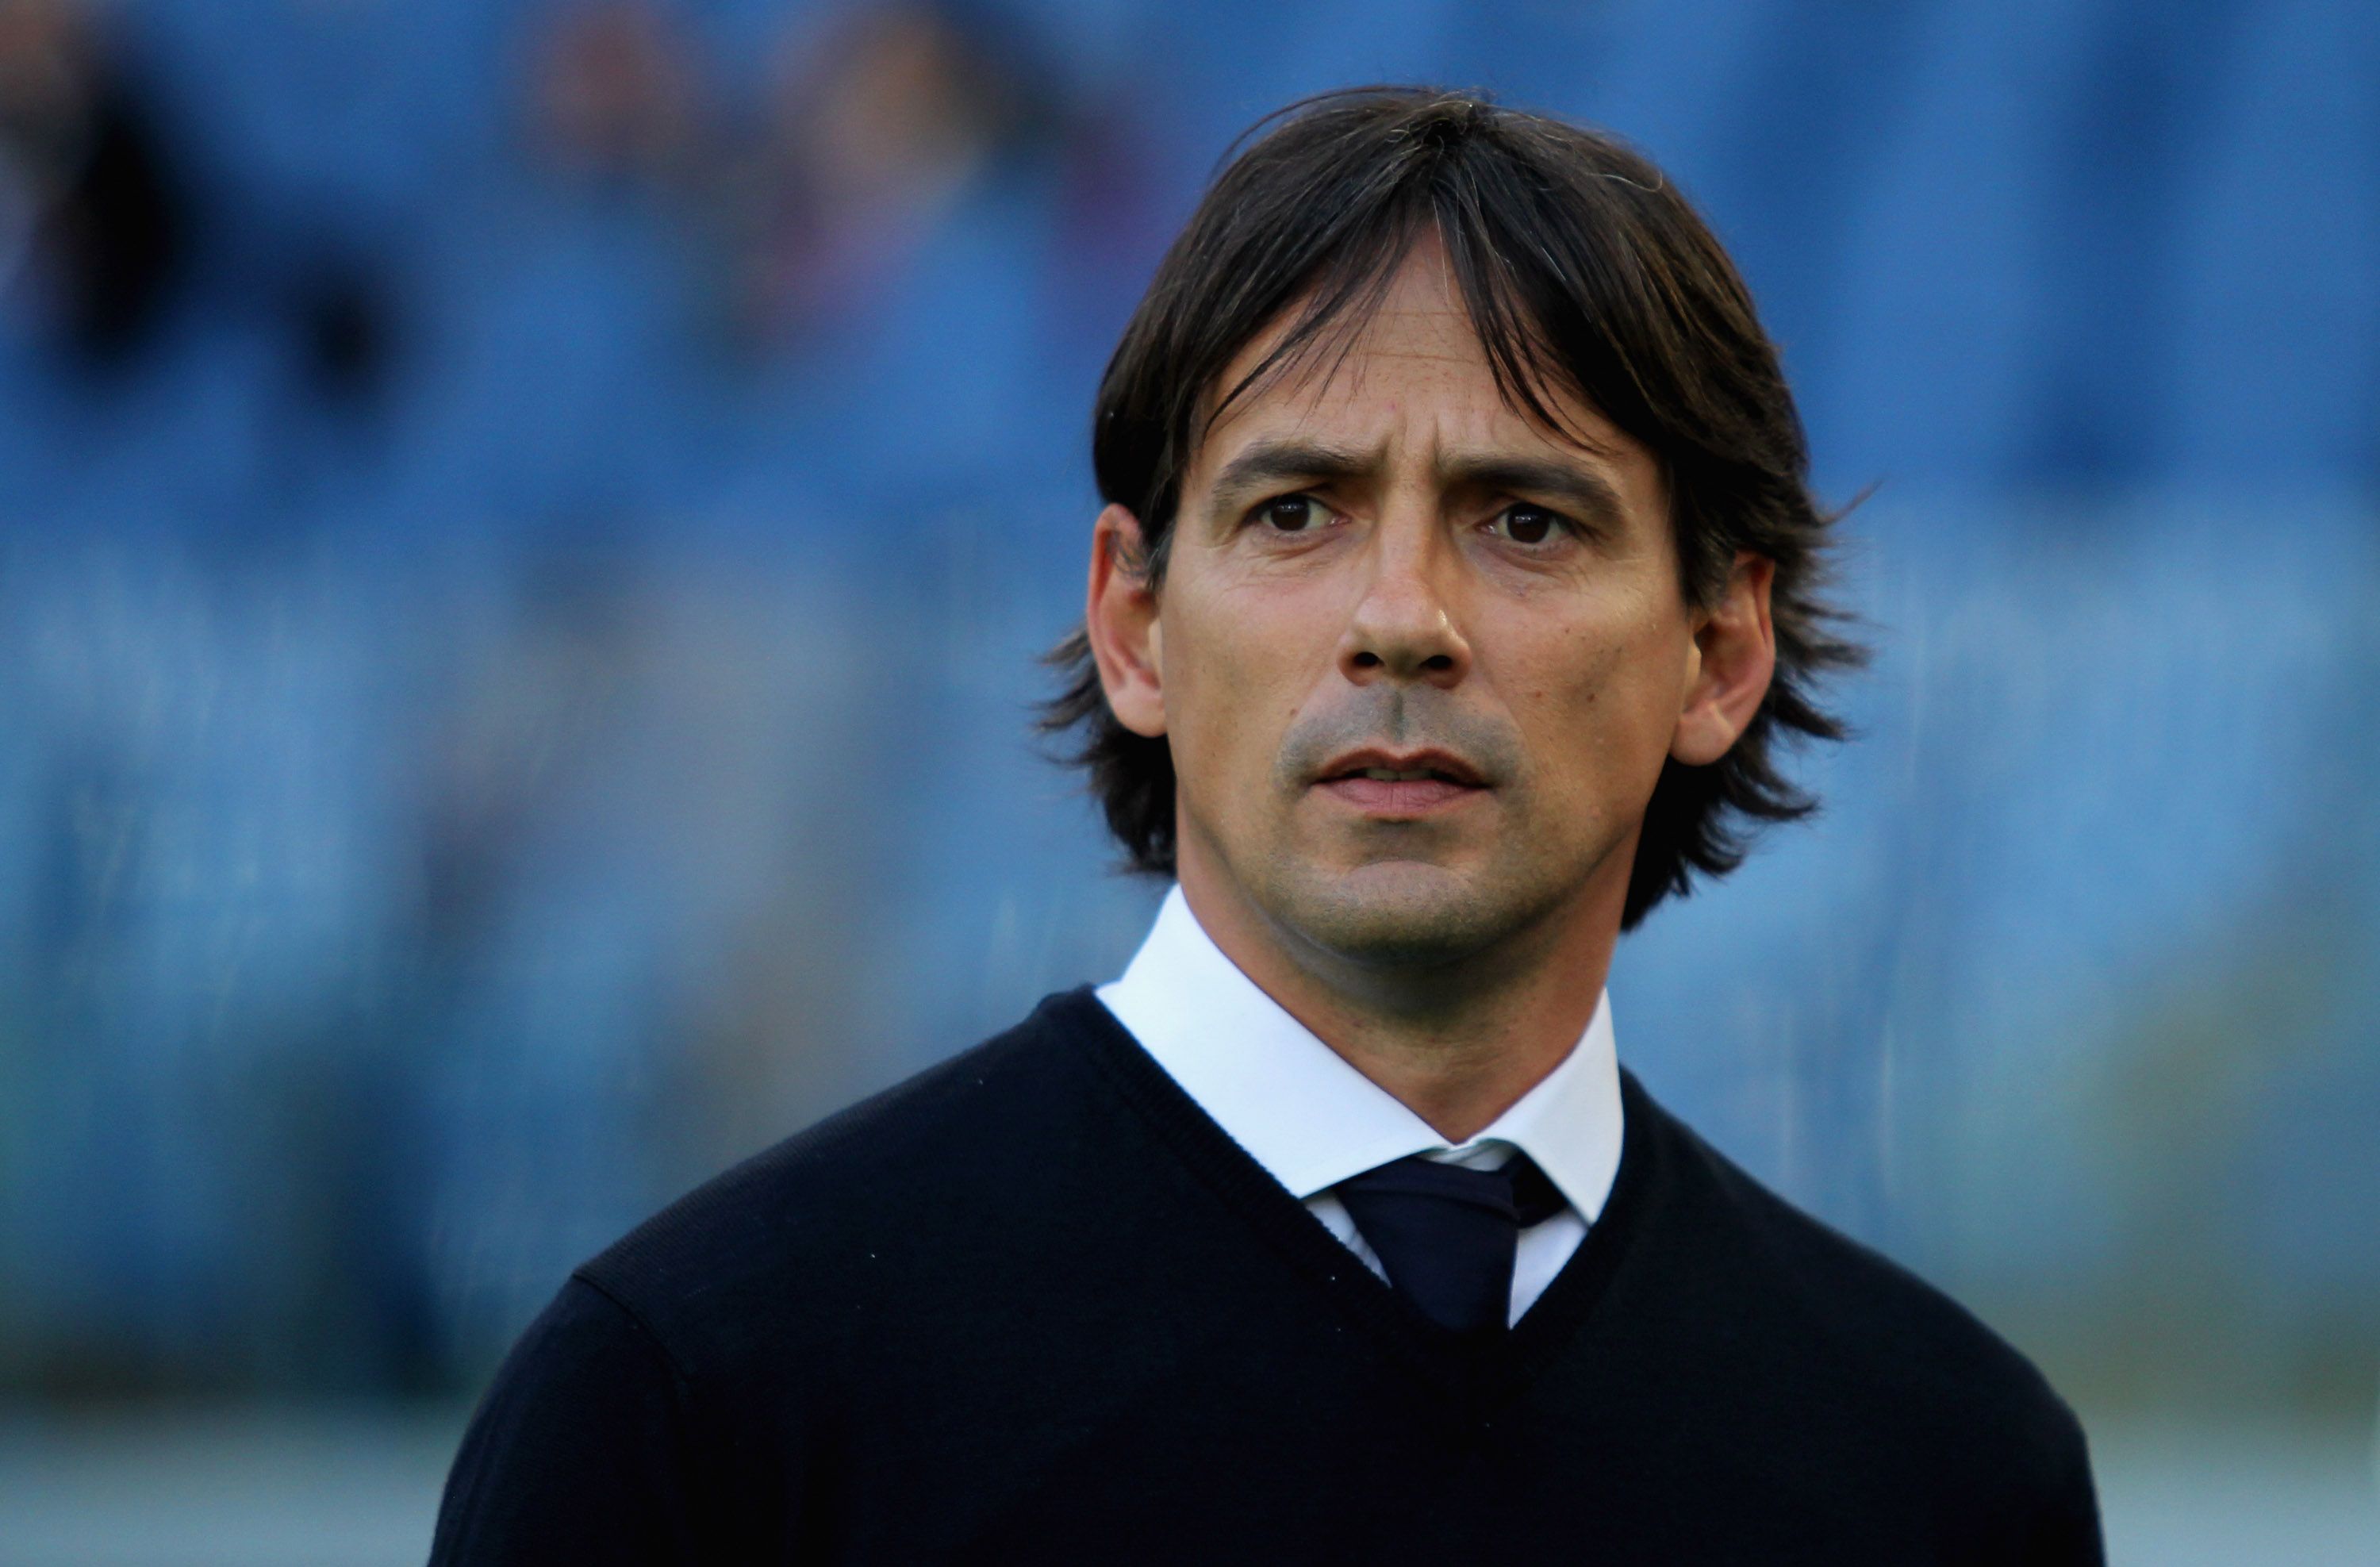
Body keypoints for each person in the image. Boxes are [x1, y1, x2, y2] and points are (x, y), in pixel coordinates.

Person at [430, 88, 2103, 1563]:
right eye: (1296, 511)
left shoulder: (1948, 1471)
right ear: (1135, 625)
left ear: (1719, 650)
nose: (1401, 618)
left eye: (1527, 520)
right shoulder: (693, 1409)